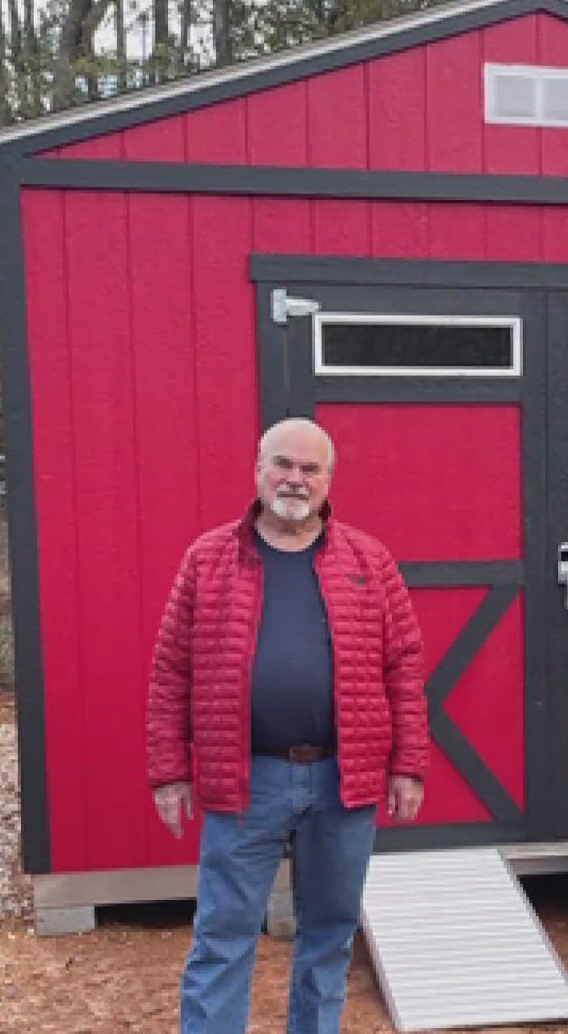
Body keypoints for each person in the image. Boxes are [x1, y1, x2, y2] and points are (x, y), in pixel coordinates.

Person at [148, 417, 429, 1034]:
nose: (295, 480)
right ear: (257, 469)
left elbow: (403, 666)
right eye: (283, 464)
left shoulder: (369, 561)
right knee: (223, 936)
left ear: (329, 480)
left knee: (328, 936)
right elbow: (172, 669)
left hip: (342, 779)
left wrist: (408, 763)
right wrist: (170, 770)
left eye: (310, 469)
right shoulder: (208, 559)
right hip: (245, 780)